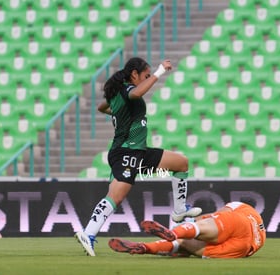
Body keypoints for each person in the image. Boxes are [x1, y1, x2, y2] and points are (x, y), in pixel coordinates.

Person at [75, 57, 202, 256]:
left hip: (139, 150)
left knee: (181, 163)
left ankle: (179, 211)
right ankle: (88, 234)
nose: (147, 79)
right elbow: (136, 93)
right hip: (126, 151)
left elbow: (102, 107)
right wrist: (160, 72)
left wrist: (118, 112)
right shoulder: (127, 90)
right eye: (146, 75)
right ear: (134, 74)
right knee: (116, 196)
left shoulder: (119, 95)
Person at [109, 201, 266, 258]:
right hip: (244, 249)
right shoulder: (253, 219)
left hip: (241, 224)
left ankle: (174, 233)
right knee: (184, 244)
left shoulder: (243, 209)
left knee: (197, 228)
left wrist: (192, 221)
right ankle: (146, 247)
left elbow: (218, 215)